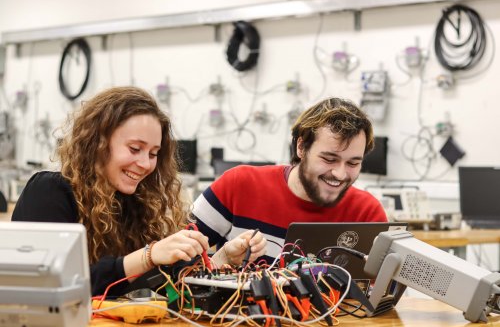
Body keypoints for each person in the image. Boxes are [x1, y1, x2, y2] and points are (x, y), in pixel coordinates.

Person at [11, 86, 266, 296]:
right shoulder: (49, 191)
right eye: (135, 149)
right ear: (97, 142)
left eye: (153, 154)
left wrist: (222, 258)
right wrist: (149, 256)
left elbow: (165, 283)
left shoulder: (138, 205)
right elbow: (58, 283)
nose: (145, 163)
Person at [192, 97, 387, 264]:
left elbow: (382, 294)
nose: (340, 174)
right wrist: (223, 258)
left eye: (353, 163)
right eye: (329, 159)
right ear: (301, 147)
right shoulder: (239, 185)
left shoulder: (367, 213)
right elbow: (175, 267)